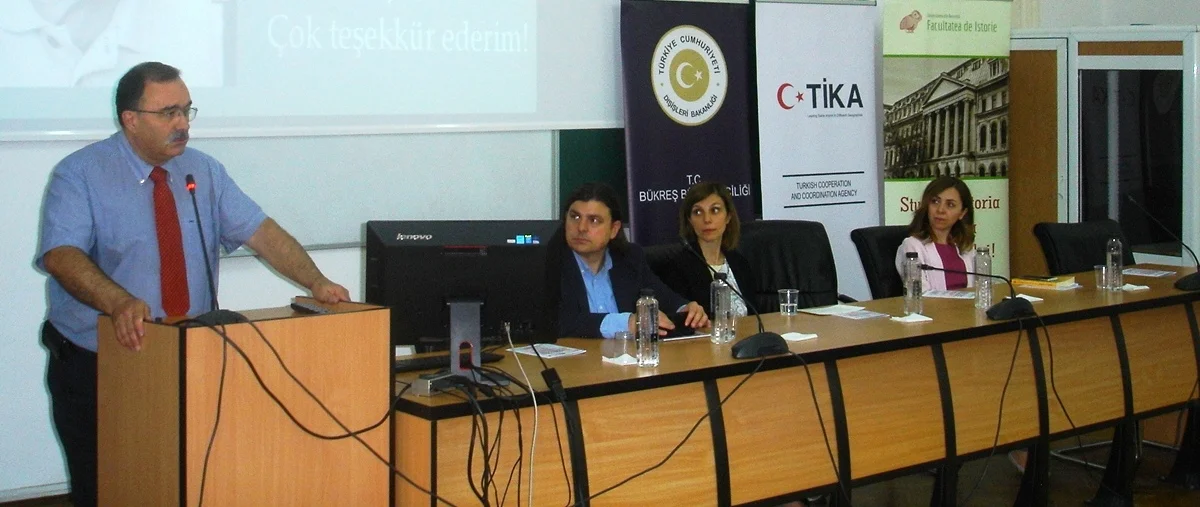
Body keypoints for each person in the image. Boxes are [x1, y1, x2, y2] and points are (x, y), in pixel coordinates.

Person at [35, 61, 349, 507]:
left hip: (185, 355)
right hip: (100, 363)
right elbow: (61, 255)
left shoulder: (203, 171)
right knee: (108, 489)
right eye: (168, 113)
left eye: (186, 110)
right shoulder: (80, 174)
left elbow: (262, 233)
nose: (182, 124)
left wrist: (315, 280)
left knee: (186, 483)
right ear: (130, 119)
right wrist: (118, 301)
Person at [547, 182, 708, 339]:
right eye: (575, 217)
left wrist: (686, 310)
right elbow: (557, 321)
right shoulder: (548, 262)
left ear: (614, 229)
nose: (581, 228)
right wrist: (627, 322)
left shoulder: (629, 258)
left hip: (627, 355)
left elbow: (664, 298)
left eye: (594, 220)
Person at [655, 181, 757, 317]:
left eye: (715, 210)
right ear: (690, 220)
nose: (707, 219)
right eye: (698, 212)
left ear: (728, 217)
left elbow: (756, 315)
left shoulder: (740, 263)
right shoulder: (678, 268)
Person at [894, 175, 976, 291]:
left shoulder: (965, 247)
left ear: (962, 213)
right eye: (935, 201)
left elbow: (978, 289)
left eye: (950, 205)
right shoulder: (912, 247)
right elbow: (920, 294)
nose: (940, 210)